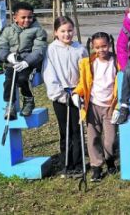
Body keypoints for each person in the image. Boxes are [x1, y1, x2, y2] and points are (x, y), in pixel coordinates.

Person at [42, 16, 87, 178]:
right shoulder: (51, 50)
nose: (67, 34)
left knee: (77, 129)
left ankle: (78, 162)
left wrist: (79, 93)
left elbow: (85, 74)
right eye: (62, 31)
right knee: (65, 129)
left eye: (69, 30)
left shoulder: (80, 49)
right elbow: (49, 74)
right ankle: (66, 162)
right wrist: (60, 95)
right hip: (61, 95)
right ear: (55, 32)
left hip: (77, 94)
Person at [73, 32, 119, 182]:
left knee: (110, 140)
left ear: (110, 44)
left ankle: (110, 159)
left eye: (104, 46)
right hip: (93, 106)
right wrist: (76, 93)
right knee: (93, 138)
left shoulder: (117, 62)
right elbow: (82, 84)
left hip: (110, 107)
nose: (101, 50)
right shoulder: (88, 63)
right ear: (92, 47)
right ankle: (96, 167)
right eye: (97, 47)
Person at [0, 2, 47, 119]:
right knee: (9, 79)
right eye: (23, 17)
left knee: (23, 78)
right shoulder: (8, 30)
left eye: (30, 17)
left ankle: (28, 99)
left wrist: (26, 62)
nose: (27, 20)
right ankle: (10, 104)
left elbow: (39, 50)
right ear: (15, 17)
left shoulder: (38, 30)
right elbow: (0, 48)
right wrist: (7, 56)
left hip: (30, 63)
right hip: (13, 62)